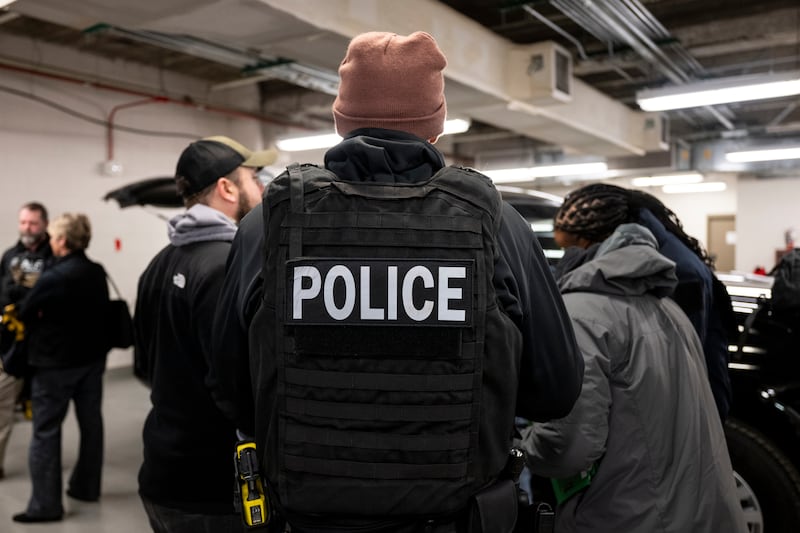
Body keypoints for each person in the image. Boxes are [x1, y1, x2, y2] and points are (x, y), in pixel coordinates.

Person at [210, 31, 583, 532]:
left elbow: (230, 388)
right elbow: (555, 391)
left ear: (342, 123)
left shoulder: (269, 224)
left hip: (306, 518)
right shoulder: (496, 223)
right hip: (457, 518)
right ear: (435, 128)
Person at [520, 222, 747, 532]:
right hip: (701, 513)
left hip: (630, 516)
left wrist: (518, 446)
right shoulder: (668, 308)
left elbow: (569, 449)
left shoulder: (580, 315)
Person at [134, 135, 276, 533]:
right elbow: (239, 387)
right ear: (227, 188)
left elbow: (143, 363)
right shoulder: (229, 267)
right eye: (254, 178)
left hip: (162, 472)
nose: (262, 189)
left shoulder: (160, 263)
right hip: (212, 489)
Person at [552, 183, 736, 420]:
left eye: (572, 248)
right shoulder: (655, 254)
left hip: (692, 409)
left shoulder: (677, 271)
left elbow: (677, 364)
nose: (569, 258)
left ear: (597, 237)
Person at [11, 213, 110, 523]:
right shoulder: (95, 271)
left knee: (45, 432)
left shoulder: (54, 277)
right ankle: (86, 487)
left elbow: (25, 313)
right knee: (91, 423)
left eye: (53, 237)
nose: (50, 242)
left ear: (63, 241)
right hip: (91, 362)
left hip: (54, 365)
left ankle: (45, 506)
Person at [0, 202, 53, 480]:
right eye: (23, 222)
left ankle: (43, 464)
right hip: (13, 346)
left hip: (45, 346)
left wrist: (22, 295)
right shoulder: (10, 256)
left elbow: (52, 297)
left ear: (44, 224)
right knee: (2, 404)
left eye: (32, 223)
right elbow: (2, 295)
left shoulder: (54, 255)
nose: (27, 228)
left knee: (43, 412)